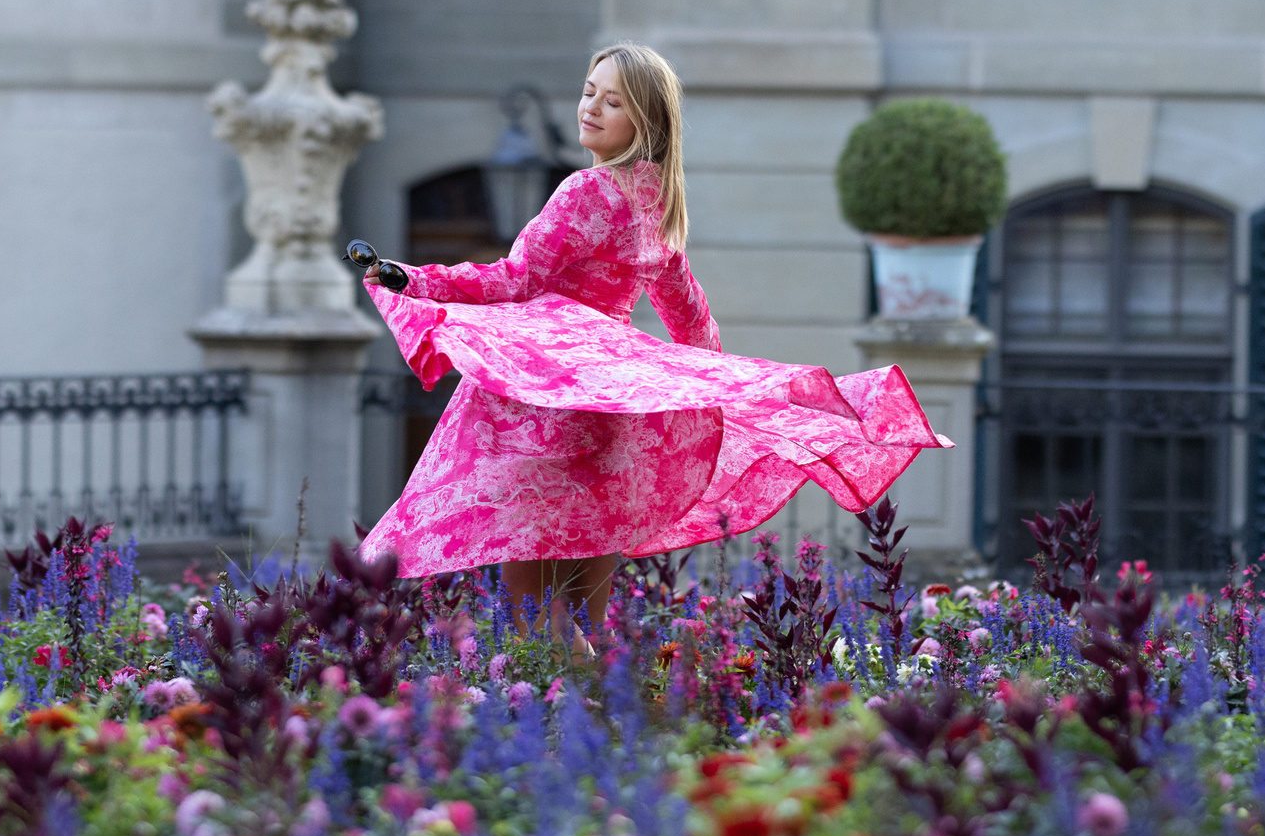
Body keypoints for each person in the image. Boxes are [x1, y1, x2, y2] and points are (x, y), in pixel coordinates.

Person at [358, 42, 945, 645]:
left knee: (535, 623)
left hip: (544, 406)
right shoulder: (654, 197)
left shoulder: (586, 191)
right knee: (586, 616)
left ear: (644, 123)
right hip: (614, 417)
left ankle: (569, 714)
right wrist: (716, 388)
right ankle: (606, 722)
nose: (591, 108)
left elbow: (515, 282)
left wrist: (415, 280)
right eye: (589, 91)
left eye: (612, 102)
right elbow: (688, 312)